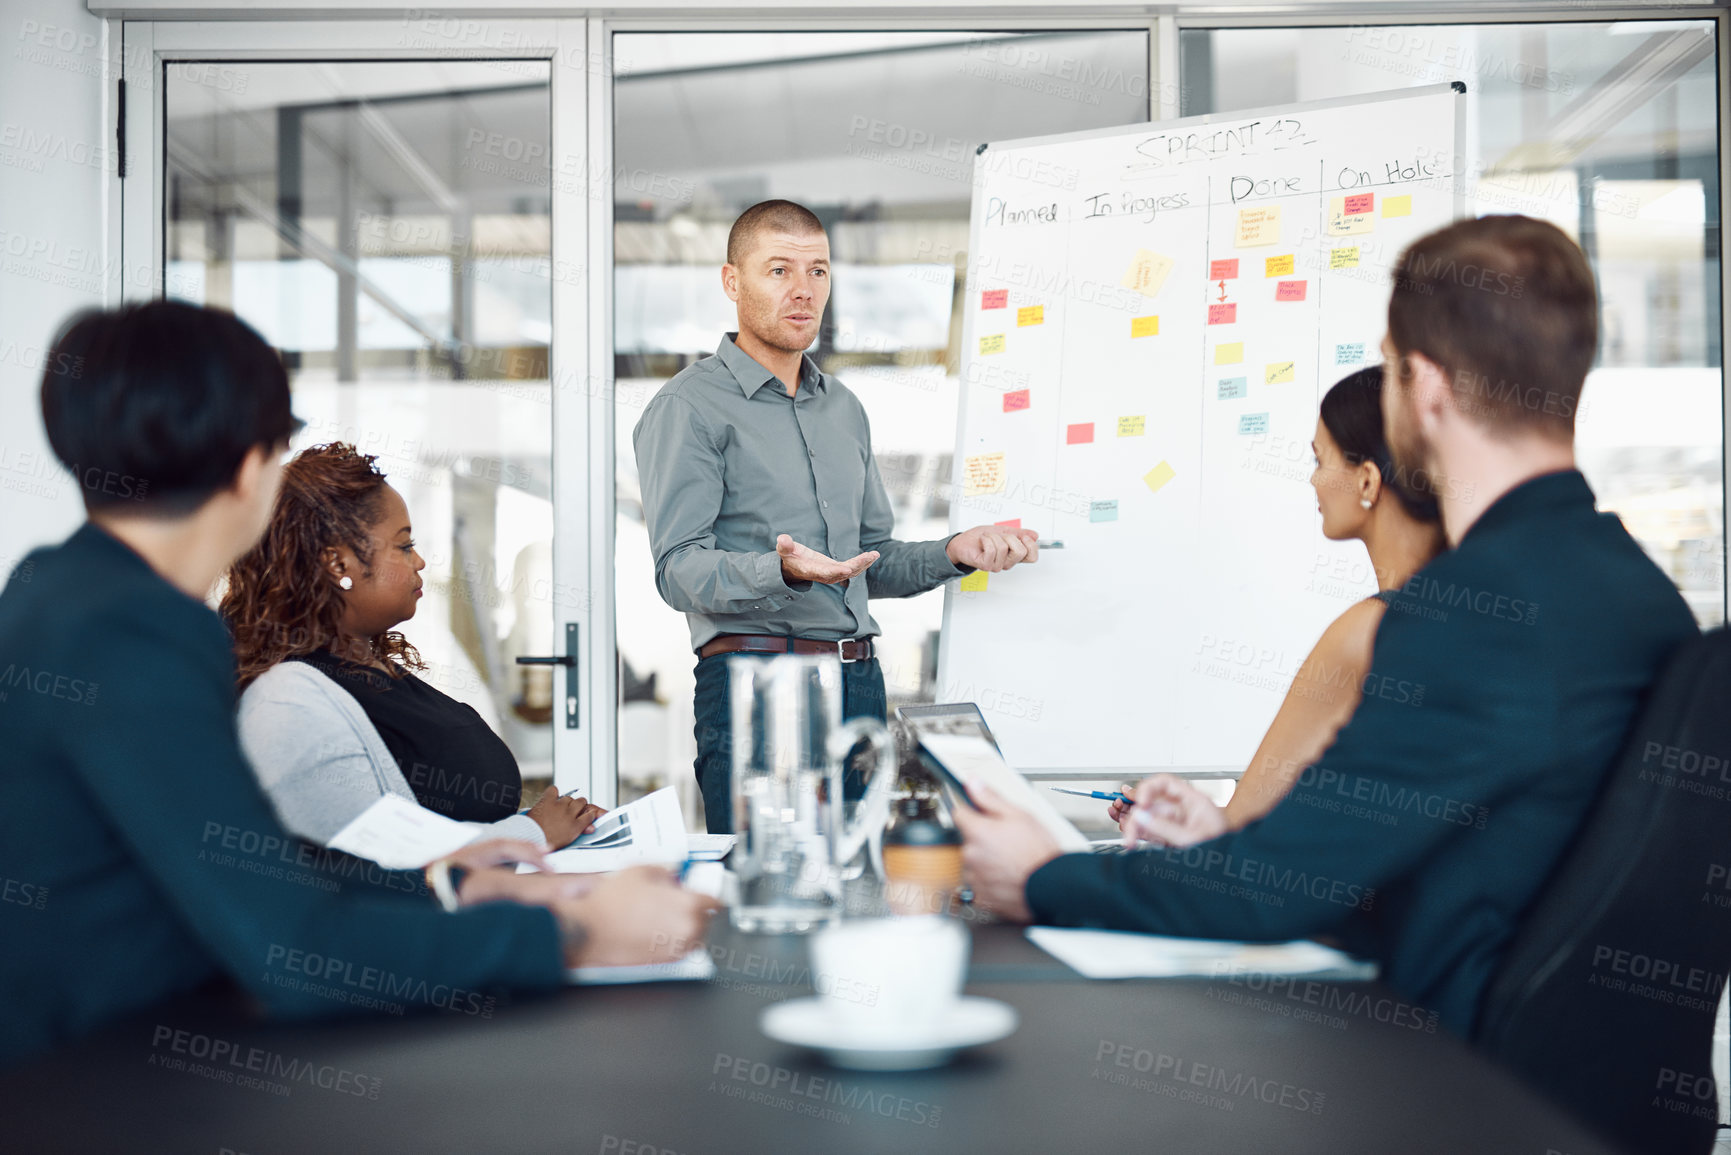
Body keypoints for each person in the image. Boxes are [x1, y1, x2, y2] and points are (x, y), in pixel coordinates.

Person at [953, 215, 1699, 1037]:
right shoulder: (1633, 588)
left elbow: (1274, 893)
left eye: (1386, 367)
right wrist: (1223, 853)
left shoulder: (1469, 611)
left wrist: (1042, 876)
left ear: (1424, 384)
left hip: (1455, 1092)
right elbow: (1497, 873)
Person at [0, 301, 717, 1065]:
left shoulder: (60, 590)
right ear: (249, 467)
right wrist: (579, 932)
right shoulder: (134, 630)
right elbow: (293, 950)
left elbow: (243, 859)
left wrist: (450, 884)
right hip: (101, 1080)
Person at [633, 199, 1040, 832]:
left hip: (858, 686)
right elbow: (677, 570)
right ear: (732, 282)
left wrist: (955, 550)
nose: (803, 291)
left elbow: (870, 558)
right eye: (779, 271)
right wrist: (784, 572)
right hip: (758, 689)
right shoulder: (688, 407)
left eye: (818, 271)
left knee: (862, 889)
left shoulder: (843, 408)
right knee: (767, 897)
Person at [1105, 368, 1445, 845]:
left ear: (1367, 481)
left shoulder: (1366, 634)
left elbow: (1239, 828)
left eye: (1320, 459)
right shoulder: (1474, 611)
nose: (1313, 480)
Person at [223, 443, 605, 850]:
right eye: (404, 546)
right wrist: (532, 834)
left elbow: (446, 821)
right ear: (338, 565)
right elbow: (376, 863)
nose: (419, 561)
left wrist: (545, 823)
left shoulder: (371, 666)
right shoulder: (290, 704)